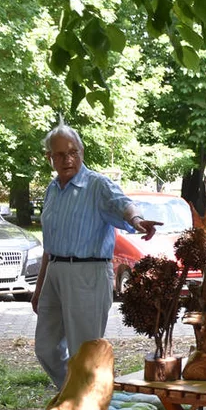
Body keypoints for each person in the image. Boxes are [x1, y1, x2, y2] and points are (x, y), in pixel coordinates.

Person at [33, 124, 160, 389]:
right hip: (54, 271)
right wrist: (39, 287)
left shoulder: (97, 184)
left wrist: (137, 220)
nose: (68, 159)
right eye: (60, 154)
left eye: (73, 152)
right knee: (45, 348)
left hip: (88, 273)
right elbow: (49, 243)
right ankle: (77, 394)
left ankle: (85, 405)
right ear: (49, 158)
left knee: (85, 351)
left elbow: (123, 204)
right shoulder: (52, 189)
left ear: (81, 151)